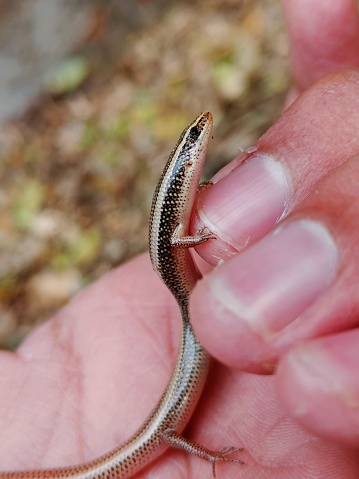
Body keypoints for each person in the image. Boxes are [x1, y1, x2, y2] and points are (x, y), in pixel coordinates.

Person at [1, 0, 359, 477]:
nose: (201, 135)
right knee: (172, 431)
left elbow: (176, 238)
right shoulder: (178, 216)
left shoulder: (180, 227)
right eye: (195, 138)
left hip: (183, 355)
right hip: (162, 432)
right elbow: (175, 239)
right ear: (189, 158)